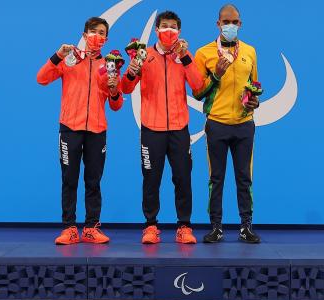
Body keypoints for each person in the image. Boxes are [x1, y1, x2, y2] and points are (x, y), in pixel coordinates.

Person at [37, 17, 123, 245]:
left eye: (101, 33)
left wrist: (114, 91)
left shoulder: (110, 65)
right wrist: (57, 55)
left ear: (106, 39)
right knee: (69, 179)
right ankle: (69, 228)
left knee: (93, 181)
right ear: (84, 35)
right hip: (69, 128)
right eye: (93, 31)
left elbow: (115, 105)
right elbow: (41, 78)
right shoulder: (69, 59)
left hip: (97, 130)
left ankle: (91, 228)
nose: (97, 36)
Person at [120, 11, 204, 244]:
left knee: (183, 178)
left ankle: (184, 226)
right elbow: (126, 88)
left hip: (179, 128)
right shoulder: (143, 55)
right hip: (151, 129)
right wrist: (132, 70)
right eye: (165, 26)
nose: (169, 31)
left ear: (179, 32)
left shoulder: (184, 56)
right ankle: (150, 226)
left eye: (174, 27)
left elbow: (198, 86)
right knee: (151, 179)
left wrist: (185, 57)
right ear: (157, 30)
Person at [193, 4, 261, 243]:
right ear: (218, 24)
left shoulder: (250, 51)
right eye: (225, 22)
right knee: (216, 178)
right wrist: (216, 76)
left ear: (240, 24)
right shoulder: (204, 53)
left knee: (244, 177)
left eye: (234, 22)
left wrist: (254, 102)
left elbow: (255, 87)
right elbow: (198, 92)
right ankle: (216, 227)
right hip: (217, 124)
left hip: (244, 124)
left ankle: (246, 227)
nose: (230, 26)